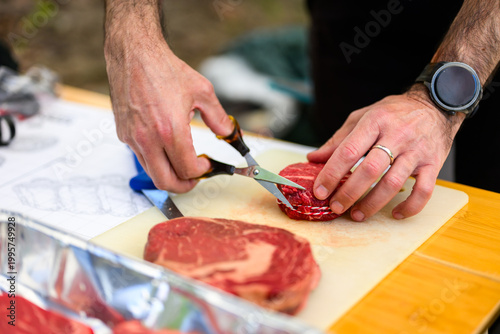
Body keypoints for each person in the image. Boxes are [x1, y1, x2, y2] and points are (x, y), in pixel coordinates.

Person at [103, 0, 500, 222]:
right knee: (347, 162)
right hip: (353, 22)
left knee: (487, 220)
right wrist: (134, 47)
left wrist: (438, 99)